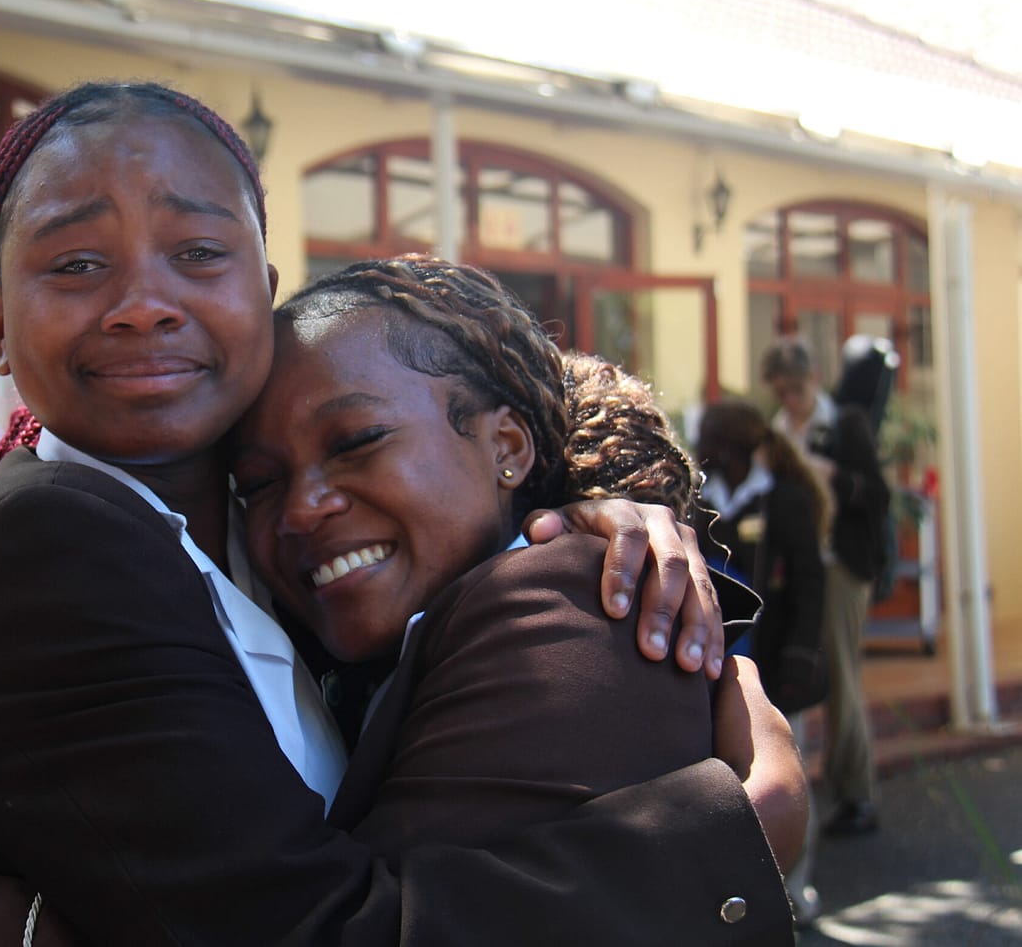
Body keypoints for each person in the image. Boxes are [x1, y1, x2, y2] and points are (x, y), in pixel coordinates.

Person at [0, 82, 802, 946]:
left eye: (199, 253)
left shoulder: (240, 527)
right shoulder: (57, 542)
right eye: (76, 264)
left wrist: (591, 502)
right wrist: (738, 837)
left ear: (263, 283)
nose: (143, 303)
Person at [229, 258, 794, 871]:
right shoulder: (369, 643)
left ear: (507, 446)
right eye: (258, 484)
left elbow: (377, 915)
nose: (300, 509)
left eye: (355, 443)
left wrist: (757, 823)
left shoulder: (561, 616)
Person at [697, 397, 831, 924]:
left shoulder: (784, 501)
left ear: (731, 449)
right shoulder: (699, 499)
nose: (700, 450)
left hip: (773, 666)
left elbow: (809, 586)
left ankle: (794, 889)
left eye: (709, 442)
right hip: (718, 669)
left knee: (785, 778)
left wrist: (800, 656)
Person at [762, 337, 889, 836]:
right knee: (812, 669)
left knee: (841, 676)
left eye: (796, 389)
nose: (790, 400)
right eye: (781, 392)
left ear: (814, 378)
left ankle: (856, 792)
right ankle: (832, 787)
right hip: (805, 567)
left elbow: (877, 495)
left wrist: (828, 473)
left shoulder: (845, 423)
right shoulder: (778, 430)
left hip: (843, 565)